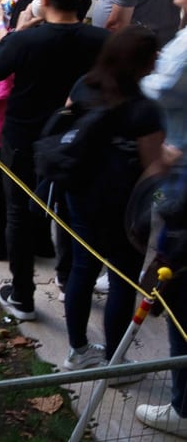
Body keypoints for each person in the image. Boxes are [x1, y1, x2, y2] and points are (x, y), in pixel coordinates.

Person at [0, 0, 107, 321]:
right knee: (68, 207)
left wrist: (4, 30)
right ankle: (68, 278)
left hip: (24, 138)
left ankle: (22, 295)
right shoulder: (99, 41)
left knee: (17, 212)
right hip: (75, 137)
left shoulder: (25, 40)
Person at [47, 27, 166, 365]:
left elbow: (65, 123)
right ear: (139, 63)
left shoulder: (85, 84)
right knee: (122, 279)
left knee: (82, 270)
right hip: (122, 208)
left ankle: (78, 350)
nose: (158, 60)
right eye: (153, 55)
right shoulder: (143, 109)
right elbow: (153, 168)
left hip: (78, 195)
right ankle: (115, 358)